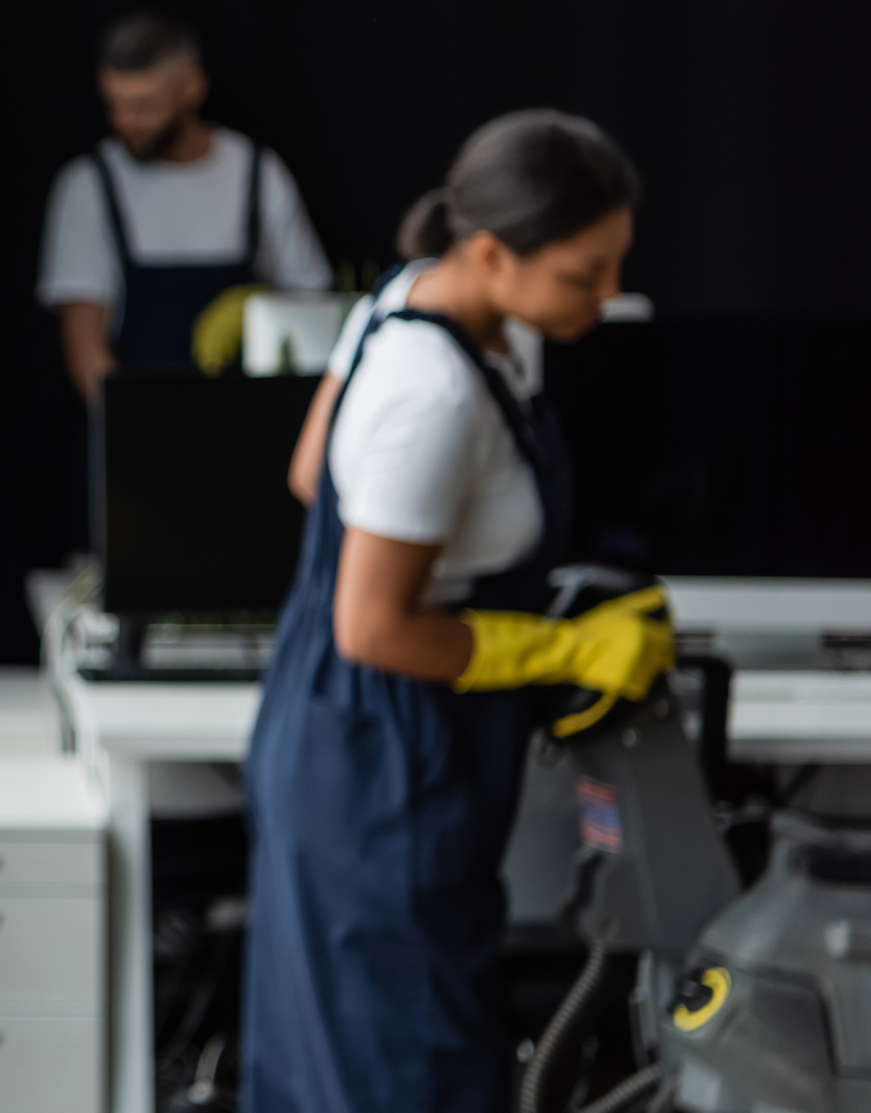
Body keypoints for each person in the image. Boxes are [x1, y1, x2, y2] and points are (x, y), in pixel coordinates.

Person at [242, 110, 676, 1113]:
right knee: (401, 1076)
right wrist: (554, 646)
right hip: (378, 767)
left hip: (345, 741)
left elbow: (314, 472)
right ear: (490, 251)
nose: (606, 296)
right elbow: (372, 627)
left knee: (366, 1063)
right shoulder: (430, 391)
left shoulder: (414, 301)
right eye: (582, 274)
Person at [38, 14, 332, 401]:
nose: (127, 121)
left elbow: (310, 303)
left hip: (245, 423)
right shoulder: (90, 184)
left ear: (193, 87)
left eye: (144, 106)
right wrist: (135, 431)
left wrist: (252, 306)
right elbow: (85, 342)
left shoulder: (257, 172)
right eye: (115, 105)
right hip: (139, 431)